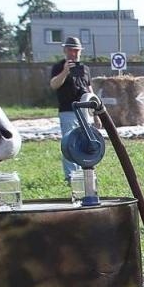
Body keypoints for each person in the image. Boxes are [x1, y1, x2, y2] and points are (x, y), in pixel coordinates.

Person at [48, 36, 91, 180]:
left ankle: (85, 173)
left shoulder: (85, 68)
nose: (73, 53)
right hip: (68, 111)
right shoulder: (58, 67)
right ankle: (71, 176)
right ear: (65, 51)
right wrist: (65, 71)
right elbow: (54, 85)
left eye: (76, 50)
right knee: (70, 143)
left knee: (85, 142)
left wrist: (95, 113)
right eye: (71, 50)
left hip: (84, 111)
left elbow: (89, 89)